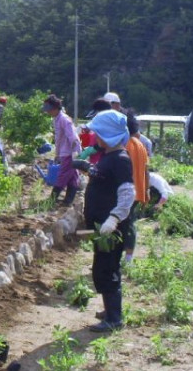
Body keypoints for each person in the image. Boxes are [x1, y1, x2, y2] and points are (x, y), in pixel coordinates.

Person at [72, 109, 134, 332]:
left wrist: (114, 218)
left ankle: (114, 318)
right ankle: (110, 310)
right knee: (103, 266)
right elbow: (104, 178)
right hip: (102, 226)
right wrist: (88, 168)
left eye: (98, 133)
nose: (95, 137)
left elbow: (127, 193)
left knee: (107, 269)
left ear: (108, 134)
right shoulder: (109, 156)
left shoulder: (121, 160)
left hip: (110, 227)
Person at [41, 94, 82, 206]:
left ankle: (51, 200)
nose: (48, 112)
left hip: (69, 152)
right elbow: (59, 139)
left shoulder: (64, 119)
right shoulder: (56, 119)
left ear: (55, 108)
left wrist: (75, 154)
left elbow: (73, 137)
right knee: (73, 177)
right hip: (64, 151)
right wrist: (57, 154)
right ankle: (68, 201)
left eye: (49, 110)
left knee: (62, 176)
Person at [122, 111, 150, 264]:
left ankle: (127, 258)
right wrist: (146, 190)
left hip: (127, 191)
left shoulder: (127, 145)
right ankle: (128, 257)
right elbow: (146, 170)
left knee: (126, 223)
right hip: (138, 190)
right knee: (129, 222)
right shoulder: (140, 145)